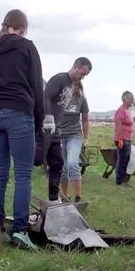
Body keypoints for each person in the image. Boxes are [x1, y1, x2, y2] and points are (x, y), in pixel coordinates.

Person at [0, 9, 45, 250]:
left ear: (4, 25)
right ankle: (19, 230)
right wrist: (39, 123)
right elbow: (37, 86)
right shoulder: (27, 47)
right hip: (19, 113)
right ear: (23, 28)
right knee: (23, 174)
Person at [44, 58, 92, 201]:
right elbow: (46, 98)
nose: (82, 78)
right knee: (62, 167)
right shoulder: (61, 84)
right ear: (76, 68)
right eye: (82, 74)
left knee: (72, 163)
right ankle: (65, 197)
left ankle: (77, 197)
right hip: (59, 133)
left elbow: (85, 119)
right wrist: (47, 120)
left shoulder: (81, 99)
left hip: (74, 135)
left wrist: (86, 138)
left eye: (84, 77)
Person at [113, 91, 135, 187]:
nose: (132, 101)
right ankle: (120, 180)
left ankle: (123, 179)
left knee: (126, 159)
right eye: (130, 99)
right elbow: (118, 125)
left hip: (128, 139)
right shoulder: (121, 111)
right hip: (122, 139)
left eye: (132, 99)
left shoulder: (128, 111)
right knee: (122, 159)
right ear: (125, 99)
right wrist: (121, 139)